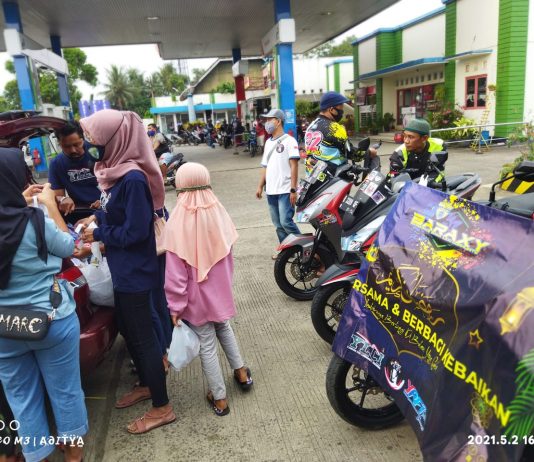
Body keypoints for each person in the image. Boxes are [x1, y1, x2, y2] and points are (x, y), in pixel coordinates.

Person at [78, 109, 175, 434]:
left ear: (114, 140)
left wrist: (99, 234)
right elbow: (115, 214)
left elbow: (135, 232)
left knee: (144, 339)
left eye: (93, 138)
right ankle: (147, 385)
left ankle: (162, 407)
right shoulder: (113, 172)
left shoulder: (132, 179)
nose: (89, 144)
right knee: (131, 333)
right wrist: (95, 220)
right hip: (122, 270)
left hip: (136, 271)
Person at [0, 149, 87, 462]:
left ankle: (37, 456)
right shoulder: (35, 220)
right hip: (51, 319)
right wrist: (48, 204)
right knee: (65, 390)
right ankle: (73, 456)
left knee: (22, 399)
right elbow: (69, 246)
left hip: (5, 328)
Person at [164, 162, 252, 417]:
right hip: (219, 292)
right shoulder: (219, 213)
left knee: (206, 343)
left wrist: (175, 306)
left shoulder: (177, 221)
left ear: (180, 186)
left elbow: (175, 275)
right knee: (224, 326)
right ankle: (241, 373)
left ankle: (220, 397)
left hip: (196, 299)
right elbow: (229, 256)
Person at [255, 109, 301, 259]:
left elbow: (294, 166)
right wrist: (260, 186)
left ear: (279, 121)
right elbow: (265, 166)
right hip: (271, 191)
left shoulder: (290, 141)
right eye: (266, 120)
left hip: (285, 190)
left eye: (270, 119)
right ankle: (287, 252)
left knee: (286, 222)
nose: (267, 122)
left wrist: (293, 189)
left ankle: (305, 249)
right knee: (278, 225)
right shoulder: (268, 143)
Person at [305, 91, 377, 174]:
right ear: (331, 109)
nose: (342, 112)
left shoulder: (310, 127)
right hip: (333, 178)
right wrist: (369, 152)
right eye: (341, 108)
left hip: (312, 176)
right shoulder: (334, 128)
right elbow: (352, 154)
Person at [48, 121, 101, 218]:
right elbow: (57, 195)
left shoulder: (97, 153)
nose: (73, 150)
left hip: (105, 209)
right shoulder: (56, 164)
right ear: (59, 143)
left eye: (76, 144)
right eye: (66, 146)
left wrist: (105, 200)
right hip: (80, 212)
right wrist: (63, 199)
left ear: (83, 139)